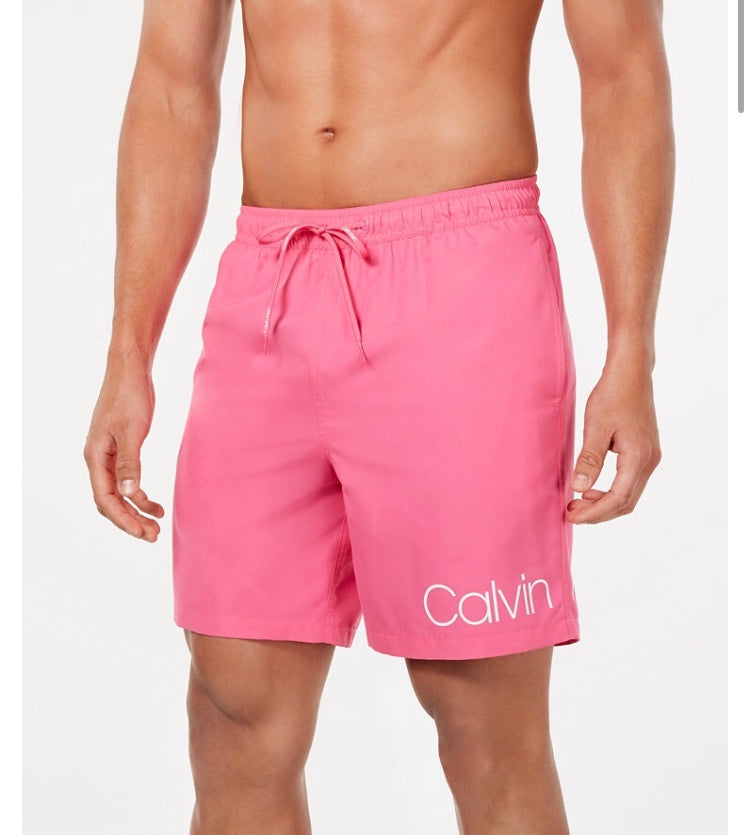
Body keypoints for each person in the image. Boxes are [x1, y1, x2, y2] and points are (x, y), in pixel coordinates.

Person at [84, 1, 674, 832]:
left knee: (482, 725)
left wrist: (632, 348)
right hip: (267, 289)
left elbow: (624, 78)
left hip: (464, 289)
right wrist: (128, 352)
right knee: (233, 712)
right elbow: (171, 86)